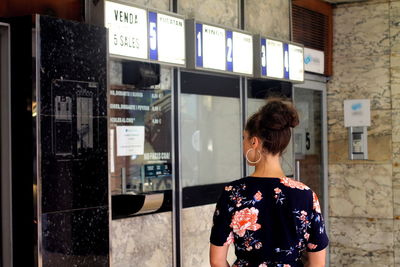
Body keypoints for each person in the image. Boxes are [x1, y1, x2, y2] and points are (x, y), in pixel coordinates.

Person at [209, 98, 329, 267]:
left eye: (244, 138)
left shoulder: (233, 192)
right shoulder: (305, 195)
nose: (243, 144)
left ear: (254, 142)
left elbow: (217, 260)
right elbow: (317, 263)